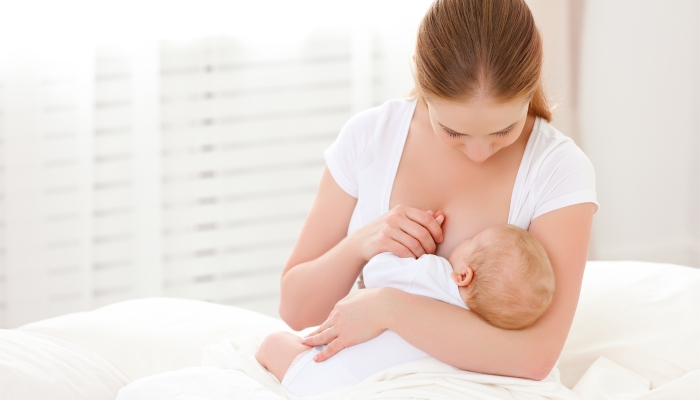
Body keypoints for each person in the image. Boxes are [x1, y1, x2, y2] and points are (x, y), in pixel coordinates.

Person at [279, 0, 597, 381]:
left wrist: (388, 308)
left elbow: (533, 357)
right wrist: (363, 242)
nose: (479, 155)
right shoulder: (368, 138)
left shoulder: (557, 169)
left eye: (502, 131)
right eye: (453, 132)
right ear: (420, 76)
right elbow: (296, 311)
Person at [257, 223, 555, 397]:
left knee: (274, 343)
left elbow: (376, 273)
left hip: (330, 375)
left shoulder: (433, 273)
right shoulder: (481, 330)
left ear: (464, 275)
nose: (465, 239)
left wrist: (408, 249)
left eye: (472, 241)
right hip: (360, 383)